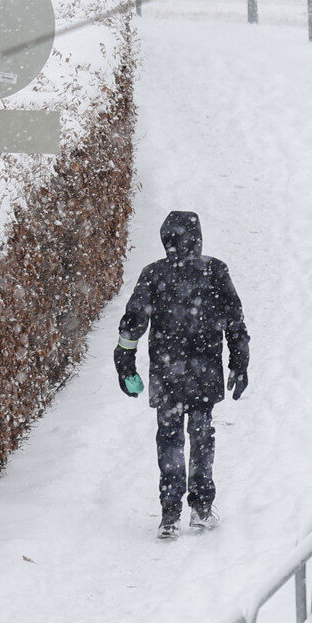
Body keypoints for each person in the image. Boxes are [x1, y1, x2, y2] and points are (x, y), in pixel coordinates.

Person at [114, 211, 249, 538]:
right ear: (198, 237)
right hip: (204, 371)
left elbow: (133, 322)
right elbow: (235, 320)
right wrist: (239, 363)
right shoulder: (214, 271)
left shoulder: (153, 274)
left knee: (169, 437)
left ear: (166, 241)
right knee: (202, 435)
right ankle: (201, 507)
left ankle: (170, 510)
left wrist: (125, 361)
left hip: (167, 371)